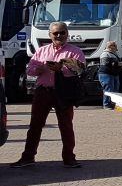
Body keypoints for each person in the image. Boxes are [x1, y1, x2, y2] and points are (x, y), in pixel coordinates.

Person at [11, 21, 87, 168]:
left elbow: (80, 70)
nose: (59, 35)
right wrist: (41, 67)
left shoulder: (75, 51)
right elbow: (30, 70)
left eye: (62, 32)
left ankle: (69, 158)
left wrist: (62, 68)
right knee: (35, 125)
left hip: (63, 92)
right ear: (50, 35)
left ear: (67, 33)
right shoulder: (41, 51)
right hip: (43, 91)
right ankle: (28, 157)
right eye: (55, 33)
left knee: (66, 125)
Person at [99, 41, 122, 109]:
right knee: (108, 89)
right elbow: (105, 64)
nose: (115, 46)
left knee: (115, 89)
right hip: (106, 74)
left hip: (114, 74)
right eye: (114, 45)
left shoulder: (115, 53)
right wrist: (117, 64)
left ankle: (113, 104)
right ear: (110, 46)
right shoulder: (105, 54)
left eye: (115, 45)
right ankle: (106, 104)